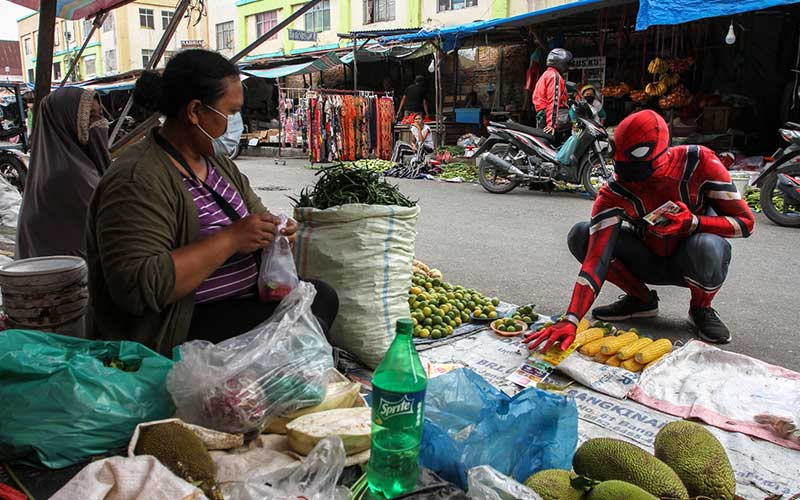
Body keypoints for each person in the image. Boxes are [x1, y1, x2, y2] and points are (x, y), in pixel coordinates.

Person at [85, 50, 338, 356]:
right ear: (195, 111)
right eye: (230, 114)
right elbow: (139, 287)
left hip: (239, 300)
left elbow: (256, 216)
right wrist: (231, 240)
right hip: (180, 324)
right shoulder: (137, 180)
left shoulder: (216, 164)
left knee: (321, 297)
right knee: (302, 330)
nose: (236, 123)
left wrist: (276, 229)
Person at [525, 110, 754, 351]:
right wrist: (570, 319)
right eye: (629, 177)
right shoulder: (615, 190)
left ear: (662, 155)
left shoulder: (699, 162)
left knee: (707, 245)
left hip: (691, 260)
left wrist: (693, 223)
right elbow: (596, 259)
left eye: (644, 175)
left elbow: (745, 224)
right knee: (581, 234)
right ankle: (641, 301)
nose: (638, 184)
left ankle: (701, 308)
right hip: (646, 257)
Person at [16, 87, 110, 259]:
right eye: (89, 117)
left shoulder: (67, 165)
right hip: (64, 277)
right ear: (66, 122)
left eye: (100, 113)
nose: (100, 122)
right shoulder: (71, 175)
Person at [532, 48, 572, 134]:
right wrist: (551, 124)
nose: (568, 67)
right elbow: (554, 100)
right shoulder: (554, 76)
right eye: (567, 63)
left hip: (543, 114)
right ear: (561, 62)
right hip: (549, 116)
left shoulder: (547, 74)